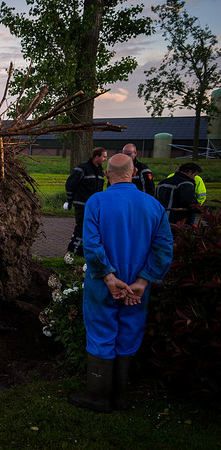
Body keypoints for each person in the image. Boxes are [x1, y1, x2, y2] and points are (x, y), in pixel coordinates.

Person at [69, 154, 173, 412]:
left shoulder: (97, 201)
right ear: (134, 171)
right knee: (129, 333)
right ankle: (119, 397)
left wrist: (109, 277)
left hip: (102, 285)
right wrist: (143, 281)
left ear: (106, 174)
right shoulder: (154, 206)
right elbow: (163, 248)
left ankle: (97, 396)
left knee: (101, 332)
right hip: (137, 288)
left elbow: (91, 245)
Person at [64, 147, 107, 256]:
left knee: (91, 228)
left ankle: (81, 252)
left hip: (94, 206)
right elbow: (70, 184)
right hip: (82, 204)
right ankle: (71, 252)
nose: (105, 159)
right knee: (81, 226)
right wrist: (70, 200)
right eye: (104, 156)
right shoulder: (82, 168)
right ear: (96, 156)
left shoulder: (100, 171)